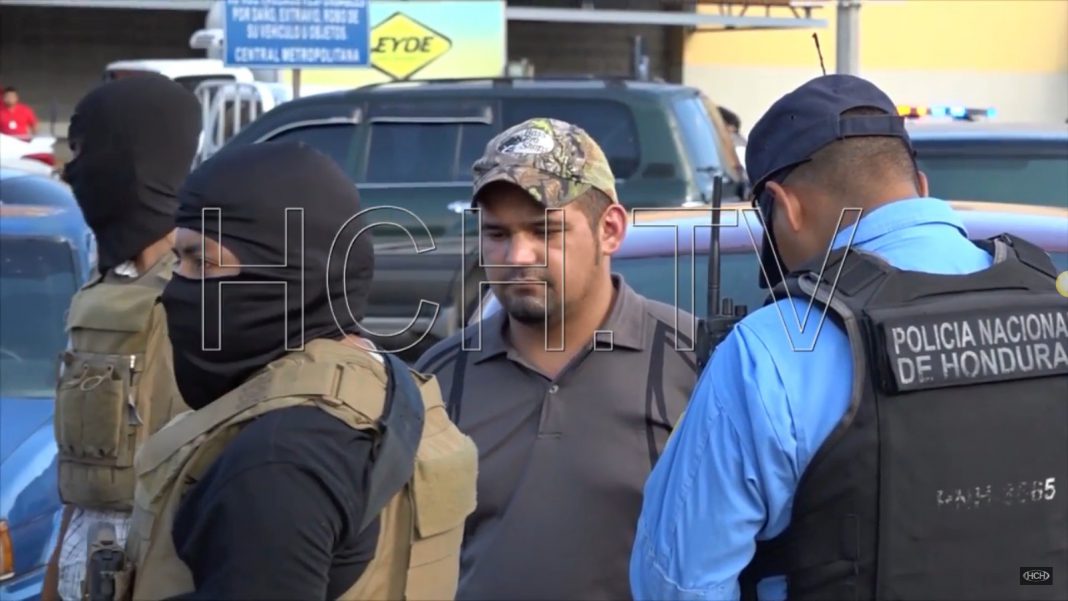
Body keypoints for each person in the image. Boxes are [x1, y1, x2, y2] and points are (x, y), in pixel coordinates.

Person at [631, 74, 1068, 600]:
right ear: (921, 184)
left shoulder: (768, 351)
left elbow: (678, 584)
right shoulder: (1054, 305)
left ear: (785, 206)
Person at [116, 141, 478, 600]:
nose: (176, 288)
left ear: (291, 266)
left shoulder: (276, 461)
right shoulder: (385, 383)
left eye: (202, 261)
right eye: (179, 261)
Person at [415, 118, 700, 600]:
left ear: (610, 230)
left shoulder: (695, 364)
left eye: (544, 230)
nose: (518, 256)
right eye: (497, 234)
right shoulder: (441, 378)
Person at [42, 74, 202, 601]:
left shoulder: (206, 291)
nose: (71, 171)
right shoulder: (104, 285)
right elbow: (82, 485)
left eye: (84, 152)